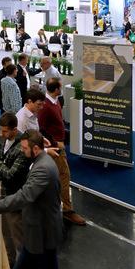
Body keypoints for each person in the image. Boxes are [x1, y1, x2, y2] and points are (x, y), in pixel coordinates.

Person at [0, 130, 63, 269]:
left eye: (24, 148)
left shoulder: (42, 168)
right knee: (48, 267)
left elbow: (24, 196)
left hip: (40, 231)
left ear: (35, 148)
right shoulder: (42, 159)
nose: (22, 151)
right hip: (44, 230)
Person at [0, 113, 32, 268]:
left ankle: (26, 267)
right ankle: (10, 263)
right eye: (0, 130)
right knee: (5, 233)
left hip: (13, 199)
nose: (1, 134)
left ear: (14, 130)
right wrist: (0, 164)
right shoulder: (1, 137)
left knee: (18, 236)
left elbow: (10, 175)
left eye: (5, 131)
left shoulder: (22, 146)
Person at [39, 78, 86, 226]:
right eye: (60, 87)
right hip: (55, 148)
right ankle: (67, 210)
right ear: (56, 90)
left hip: (59, 145)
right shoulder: (46, 106)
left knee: (55, 176)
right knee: (64, 175)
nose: (62, 89)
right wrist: (55, 143)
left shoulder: (56, 101)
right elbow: (41, 129)